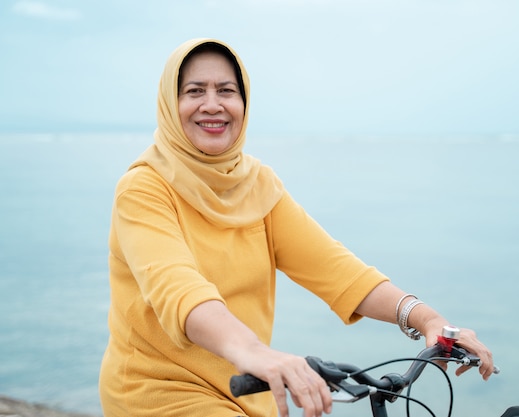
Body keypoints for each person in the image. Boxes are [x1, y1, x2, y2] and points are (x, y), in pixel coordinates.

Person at [98, 38, 494, 417]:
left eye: (226, 91)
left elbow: (336, 269)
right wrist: (256, 352)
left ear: (244, 102)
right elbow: (179, 290)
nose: (212, 105)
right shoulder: (144, 188)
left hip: (246, 390)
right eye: (195, 91)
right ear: (171, 102)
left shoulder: (258, 186)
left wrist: (427, 320)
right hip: (160, 392)